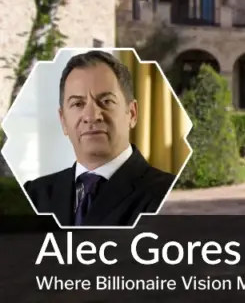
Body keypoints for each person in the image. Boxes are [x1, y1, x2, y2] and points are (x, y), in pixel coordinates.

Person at [23, 50, 175, 227]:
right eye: (78, 104)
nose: (91, 116)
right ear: (63, 120)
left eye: (106, 102)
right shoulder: (33, 194)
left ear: (132, 114)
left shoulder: (165, 194)